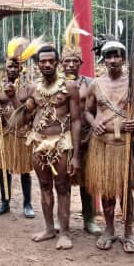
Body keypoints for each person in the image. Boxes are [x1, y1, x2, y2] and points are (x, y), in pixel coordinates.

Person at [84, 40, 134, 253]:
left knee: (126, 191)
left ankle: (128, 232)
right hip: (103, 145)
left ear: (123, 58)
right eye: (109, 56)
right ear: (103, 59)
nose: (113, 60)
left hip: (126, 147)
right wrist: (94, 124)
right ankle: (109, 229)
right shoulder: (95, 84)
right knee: (108, 190)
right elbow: (87, 111)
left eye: (117, 55)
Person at [22, 44, 81, 250]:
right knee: (44, 187)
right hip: (38, 143)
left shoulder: (70, 87)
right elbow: (24, 116)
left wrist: (75, 156)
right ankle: (49, 229)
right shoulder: (32, 88)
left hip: (61, 144)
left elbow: (75, 120)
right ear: (37, 64)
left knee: (62, 187)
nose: (46, 64)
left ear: (57, 63)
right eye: (42, 61)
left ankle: (64, 233)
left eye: (50, 61)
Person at [59, 19, 101, 234]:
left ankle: (89, 219)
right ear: (61, 63)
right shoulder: (55, 85)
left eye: (75, 61)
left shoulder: (91, 84)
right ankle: (61, 219)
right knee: (61, 180)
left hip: (86, 137)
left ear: (81, 62)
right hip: (61, 139)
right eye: (67, 61)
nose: (71, 65)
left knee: (87, 181)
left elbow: (96, 109)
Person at [0, 38, 35, 218]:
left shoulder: (29, 88)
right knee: (3, 169)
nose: (12, 69)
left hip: (22, 133)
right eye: (9, 66)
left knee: (24, 170)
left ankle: (27, 204)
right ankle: (5, 202)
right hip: (5, 132)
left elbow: (26, 114)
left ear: (21, 69)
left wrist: (14, 95)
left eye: (16, 67)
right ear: (5, 68)